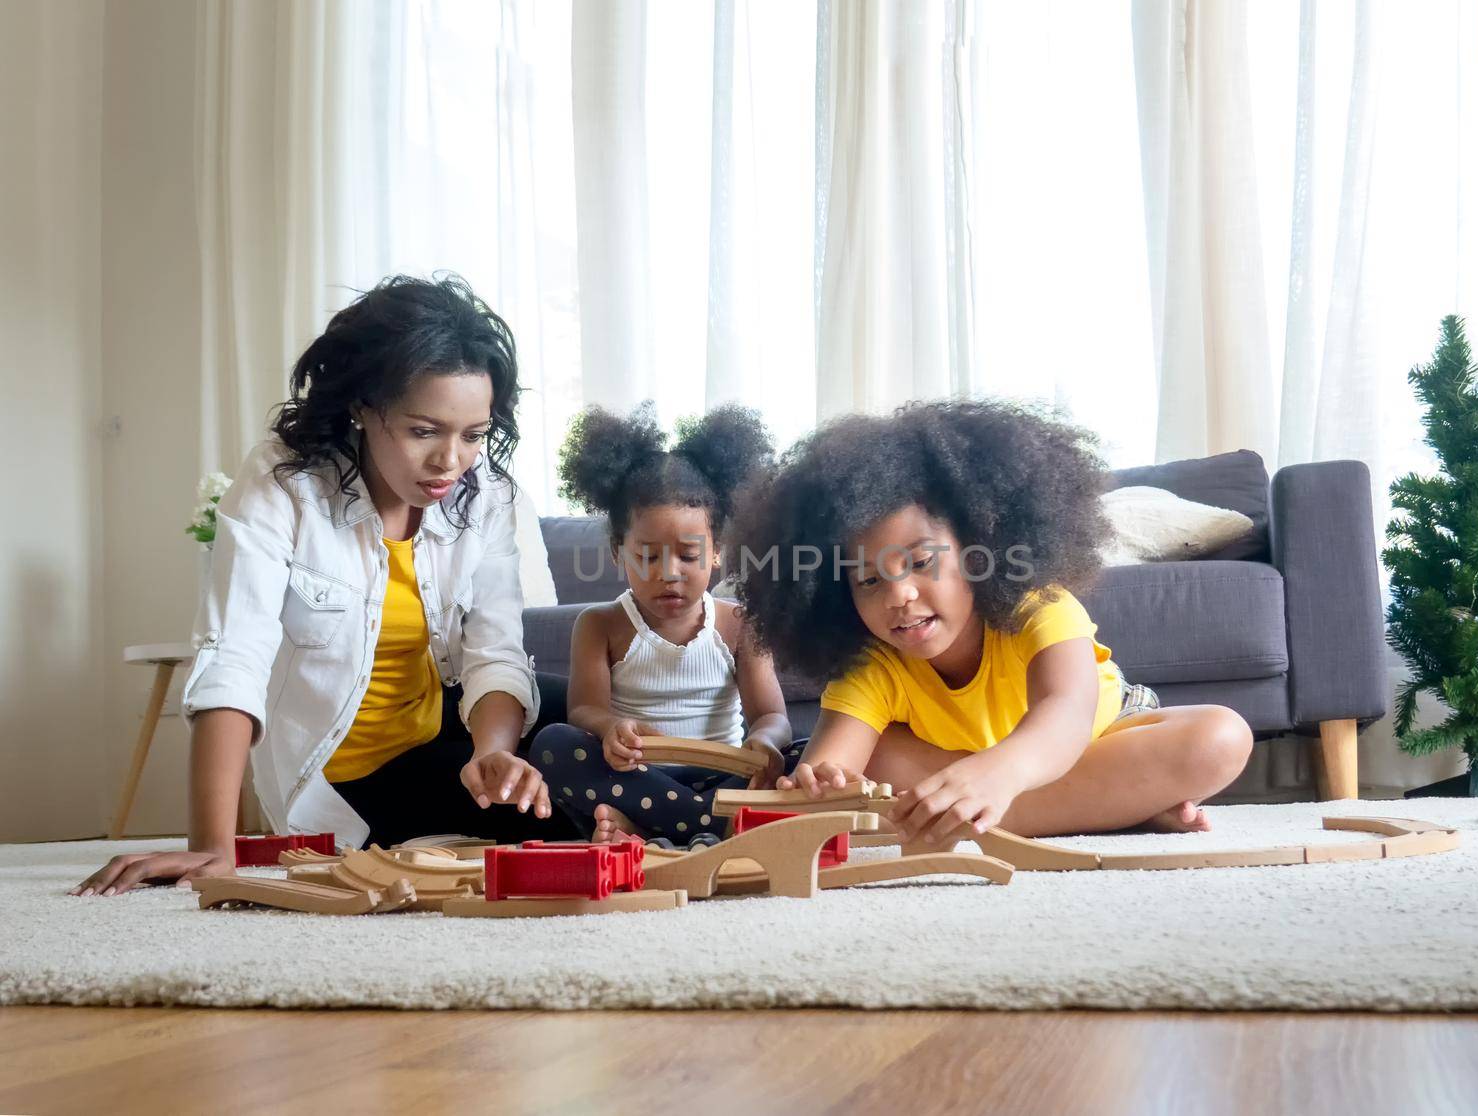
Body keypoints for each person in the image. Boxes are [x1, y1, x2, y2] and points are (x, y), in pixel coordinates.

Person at [75, 275, 577, 896]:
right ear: (364, 408)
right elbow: (235, 652)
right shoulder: (284, 485)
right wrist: (211, 845)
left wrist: (492, 753)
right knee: (563, 808)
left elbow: (495, 652)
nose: (452, 460)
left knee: (590, 715)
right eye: (425, 431)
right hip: (352, 773)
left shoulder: (487, 495)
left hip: (448, 728)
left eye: (473, 435)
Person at [729, 398, 1253, 848]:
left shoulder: (1037, 606)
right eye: (868, 581)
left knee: (1221, 736)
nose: (900, 595)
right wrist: (819, 785)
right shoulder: (873, 661)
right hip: (960, 772)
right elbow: (834, 764)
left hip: (1095, 740)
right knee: (875, 765)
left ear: (980, 552)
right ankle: (1114, 808)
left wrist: (999, 774)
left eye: (920, 562)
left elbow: (1065, 709)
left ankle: (996, 811)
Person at [531, 403, 797, 847]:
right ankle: (714, 829)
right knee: (555, 744)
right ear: (618, 552)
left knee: (809, 754)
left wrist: (766, 744)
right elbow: (583, 710)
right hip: (640, 778)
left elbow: (771, 715)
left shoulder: (739, 624)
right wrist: (609, 727)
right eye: (648, 556)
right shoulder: (599, 625)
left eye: (689, 556)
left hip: (724, 778)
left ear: (717, 552)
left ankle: (655, 830)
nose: (669, 572)